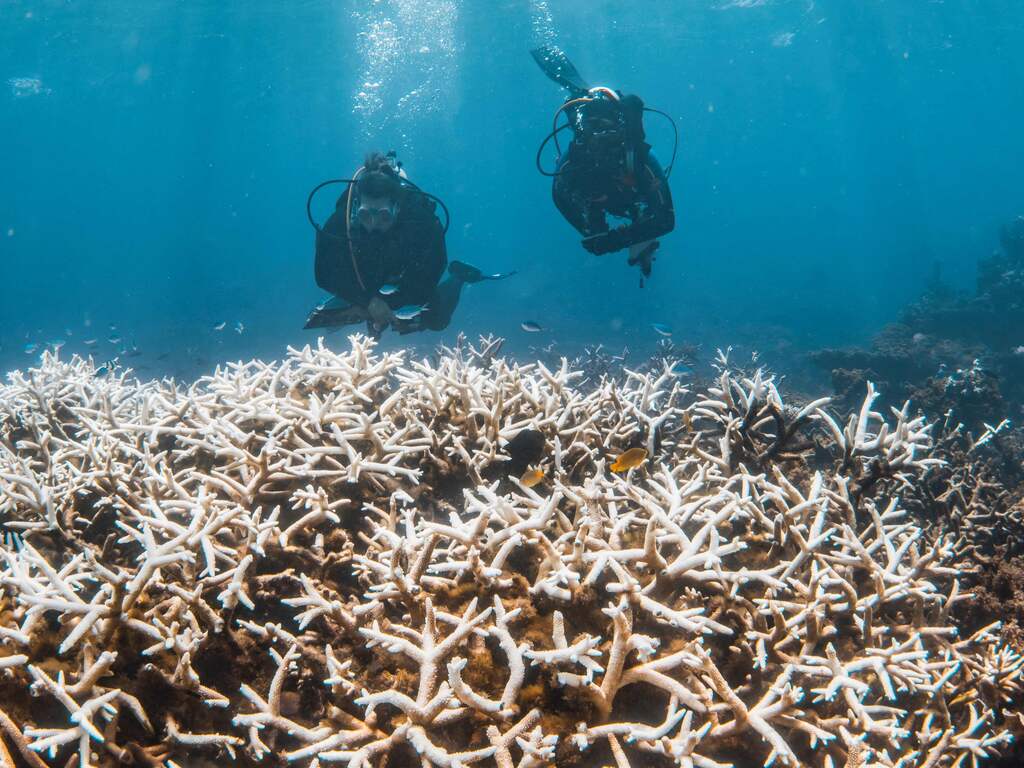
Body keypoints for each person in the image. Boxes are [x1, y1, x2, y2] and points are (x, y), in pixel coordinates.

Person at [310, 151, 502, 335]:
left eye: (383, 215)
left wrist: (394, 305)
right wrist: (368, 302)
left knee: (438, 320)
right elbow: (323, 273)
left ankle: (458, 277)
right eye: (365, 215)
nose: (373, 224)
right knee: (329, 312)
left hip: (406, 279)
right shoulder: (343, 218)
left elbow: (433, 269)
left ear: (397, 207)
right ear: (356, 207)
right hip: (362, 279)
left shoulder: (420, 220)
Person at [532, 46, 676, 281]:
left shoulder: (639, 160)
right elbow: (561, 200)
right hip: (606, 200)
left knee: (641, 215)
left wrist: (613, 240)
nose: (601, 140)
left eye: (608, 131)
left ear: (623, 131)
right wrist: (594, 232)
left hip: (631, 199)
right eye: (595, 131)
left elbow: (666, 220)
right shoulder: (572, 165)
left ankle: (637, 228)